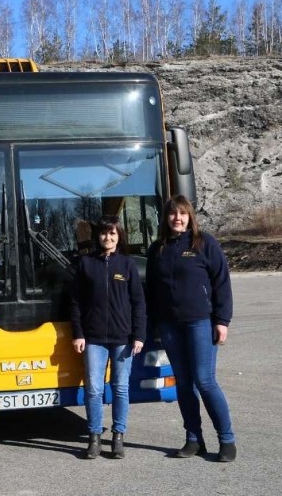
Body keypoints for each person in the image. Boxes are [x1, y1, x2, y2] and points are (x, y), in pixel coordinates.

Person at [146, 195, 236, 463]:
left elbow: (222, 282)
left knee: (204, 381)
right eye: (173, 214)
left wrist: (222, 321)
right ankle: (194, 439)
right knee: (183, 384)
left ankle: (227, 439)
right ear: (166, 218)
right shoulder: (157, 249)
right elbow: (151, 290)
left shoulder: (204, 243)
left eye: (183, 214)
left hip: (200, 322)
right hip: (170, 325)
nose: (178, 218)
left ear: (190, 217)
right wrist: (153, 325)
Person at [70, 215, 145, 459]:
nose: (108, 237)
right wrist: (78, 334)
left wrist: (139, 335)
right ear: (98, 236)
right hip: (93, 339)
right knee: (93, 389)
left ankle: (118, 437)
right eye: (104, 233)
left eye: (113, 233)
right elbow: (76, 303)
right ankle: (93, 438)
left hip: (123, 338)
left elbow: (138, 303)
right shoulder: (85, 264)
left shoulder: (127, 265)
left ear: (119, 236)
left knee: (121, 388)